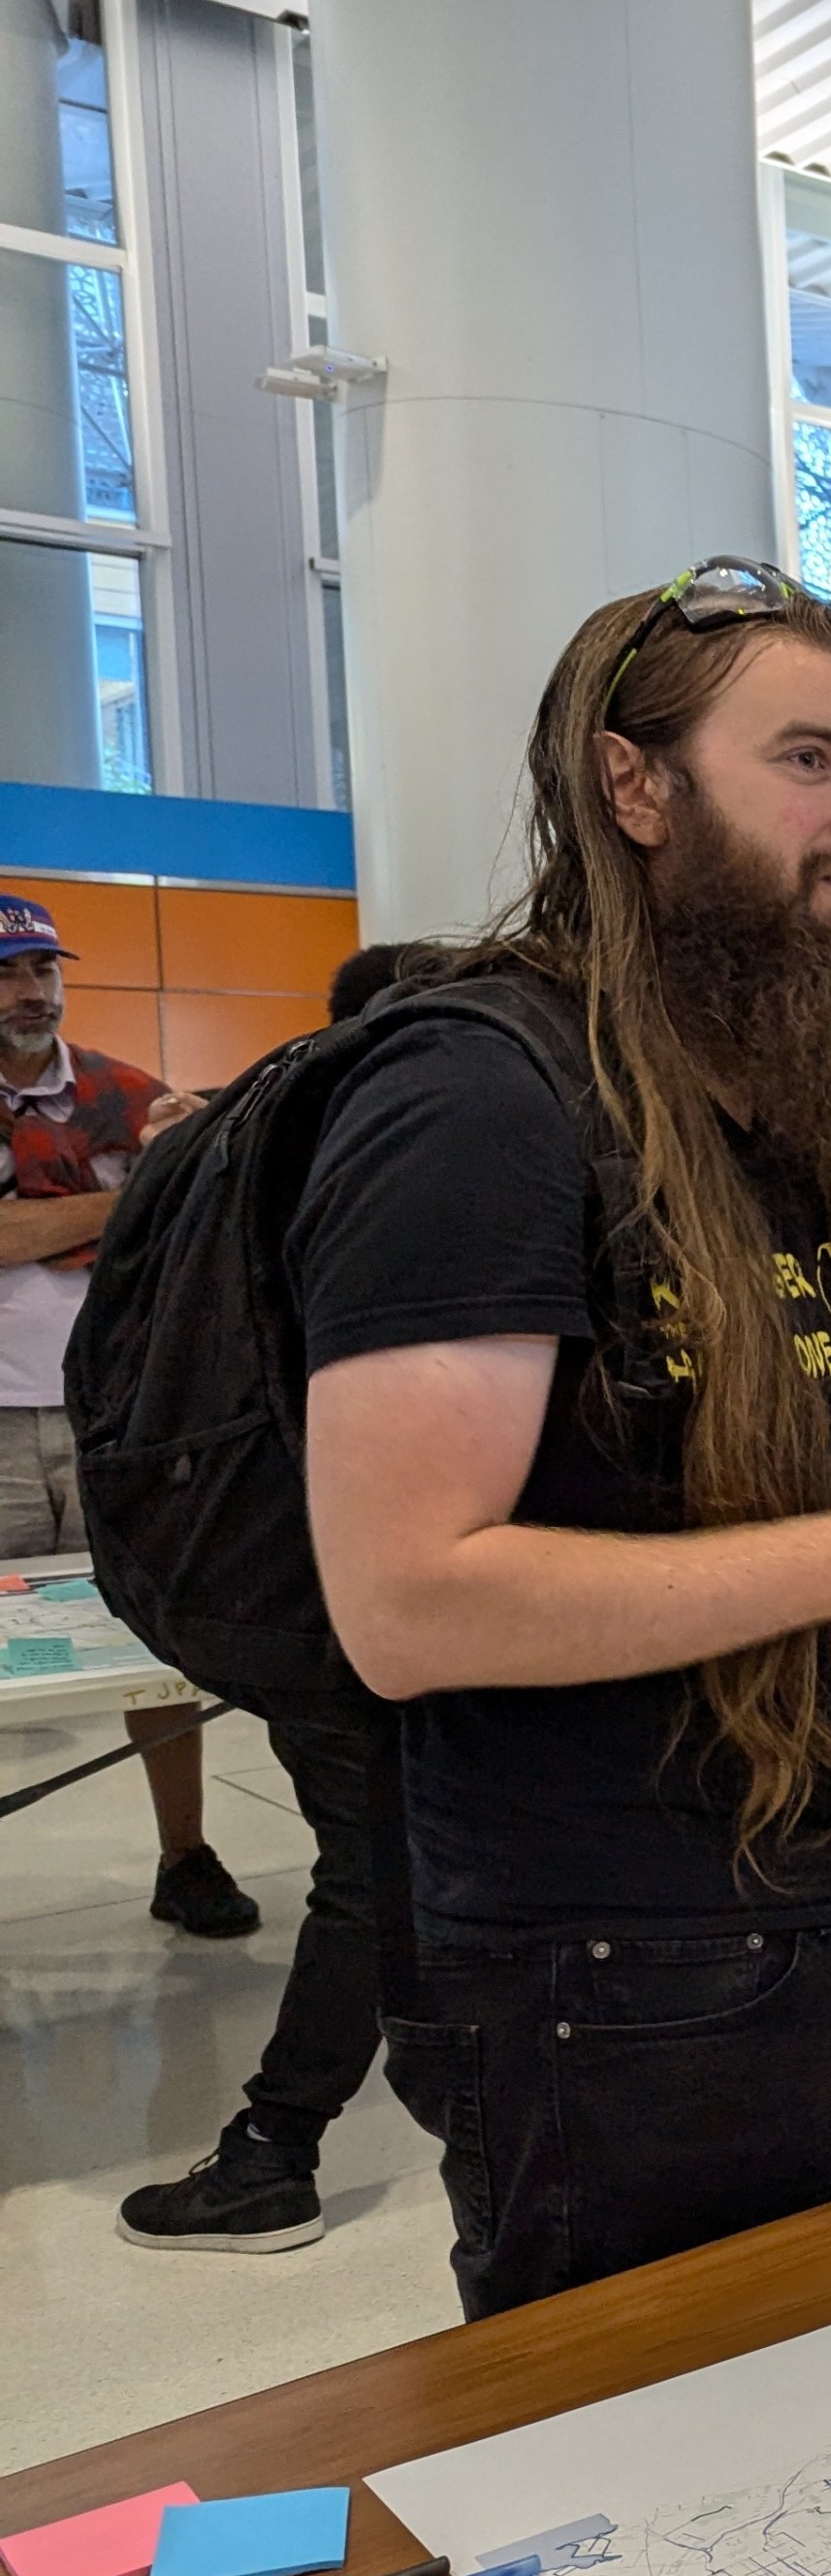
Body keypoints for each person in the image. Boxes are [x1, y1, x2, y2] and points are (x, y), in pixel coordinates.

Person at [291, 559, 831, 2315]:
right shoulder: (476, 1100)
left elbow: (742, 1496)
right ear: (634, 787)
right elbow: (407, 1602)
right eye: (809, 763)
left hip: (830, 1930)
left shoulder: (755, 1107)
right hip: (616, 1987)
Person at [117, 952, 428, 2252]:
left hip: (311, 1576)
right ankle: (280, 2142)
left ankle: (291, 2140)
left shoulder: (264, 1151)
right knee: (384, 1862)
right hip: (358, 1580)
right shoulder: (376, 1165)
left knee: (394, 1861)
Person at [0, 895, 240, 1939]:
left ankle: (184, 1854)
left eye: (44, 967)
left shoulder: (125, 1092)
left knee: (155, 1641)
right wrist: (139, 1190)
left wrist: (182, 1158)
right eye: (10, 971)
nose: (32, 988)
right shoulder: (133, 1130)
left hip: (116, 1417)